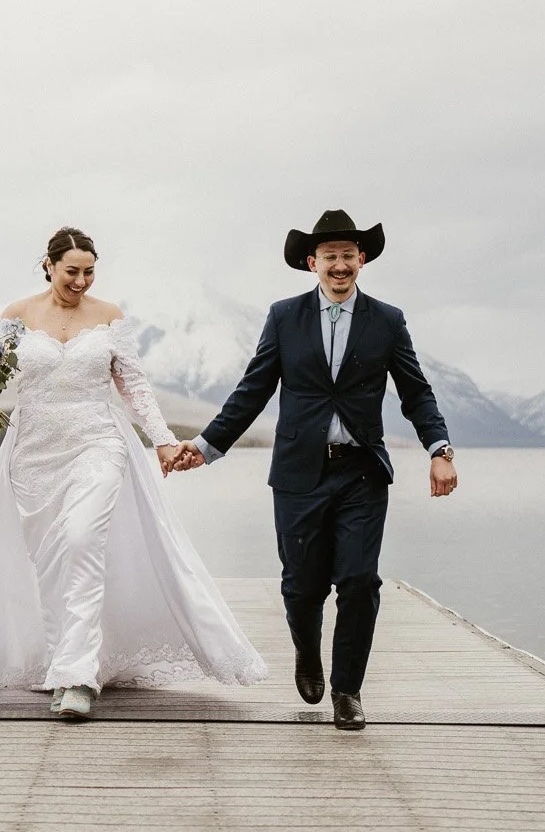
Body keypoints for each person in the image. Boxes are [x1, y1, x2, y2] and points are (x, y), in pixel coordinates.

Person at [0, 226, 266, 719]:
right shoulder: (15, 317)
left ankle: (78, 678)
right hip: (33, 456)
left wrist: (165, 441)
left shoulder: (109, 318)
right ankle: (62, 657)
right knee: (50, 563)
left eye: (89, 272)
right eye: (72, 271)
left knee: (84, 541)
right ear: (48, 265)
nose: (81, 281)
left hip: (98, 443)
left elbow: (135, 387)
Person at [168, 209, 457, 730]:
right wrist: (207, 446)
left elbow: (416, 391)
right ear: (311, 262)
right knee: (302, 587)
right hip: (299, 475)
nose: (340, 265)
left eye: (349, 255)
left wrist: (439, 449)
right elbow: (253, 389)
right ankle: (306, 652)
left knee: (359, 580)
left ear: (362, 260)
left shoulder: (387, 321)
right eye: (330, 257)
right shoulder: (284, 317)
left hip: (362, 474)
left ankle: (348, 690)